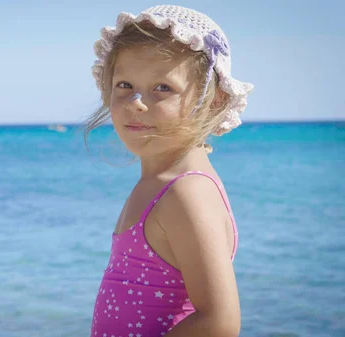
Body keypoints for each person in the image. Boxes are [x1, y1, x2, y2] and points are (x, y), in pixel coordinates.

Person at [85, 5, 253, 337]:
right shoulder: (159, 183)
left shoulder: (185, 193)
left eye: (163, 87)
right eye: (124, 84)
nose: (136, 102)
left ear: (213, 101)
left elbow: (219, 322)